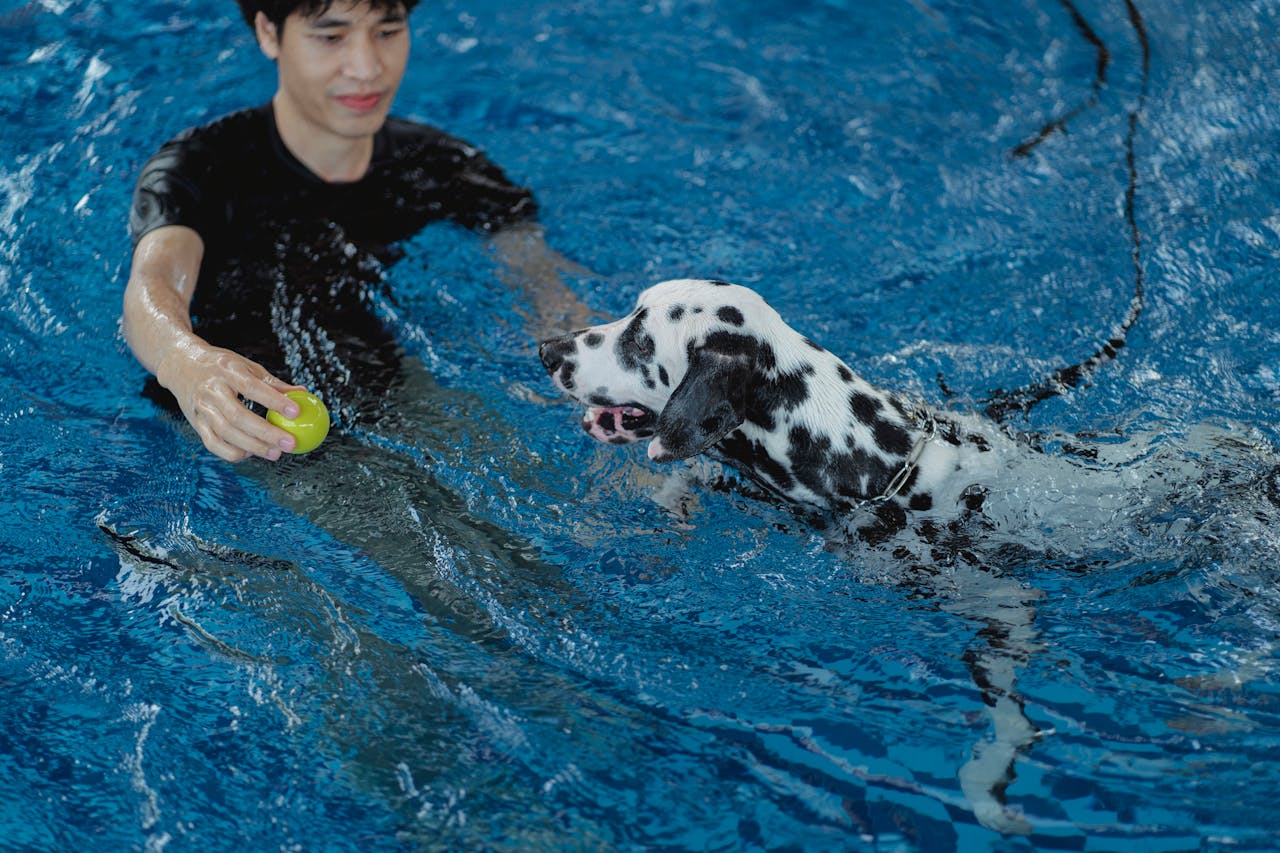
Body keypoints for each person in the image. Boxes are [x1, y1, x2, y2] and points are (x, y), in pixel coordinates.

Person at [122, 0, 585, 463]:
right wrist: (184, 361)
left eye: (387, 32)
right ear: (268, 32)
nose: (367, 68)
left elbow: (546, 289)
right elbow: (153, 284)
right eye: (331, 36)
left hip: (381, 379)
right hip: (241, 419)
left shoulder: (439, 166)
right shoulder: (199, 168)